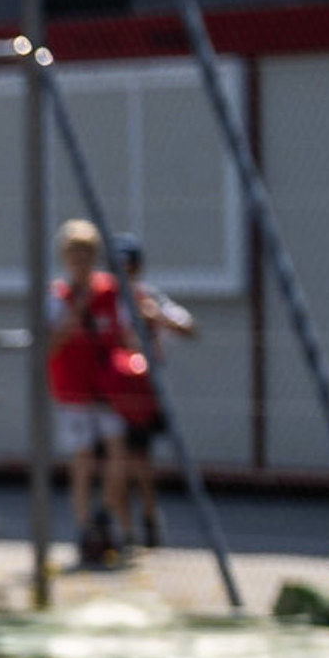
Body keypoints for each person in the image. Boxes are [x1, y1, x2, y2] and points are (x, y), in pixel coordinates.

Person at [49, 219, 133, 569]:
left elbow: (127, 336)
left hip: (110, 389)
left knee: (118, 455)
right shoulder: (58, 297)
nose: (80, 259)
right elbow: (49, 344)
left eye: (86, 252)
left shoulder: (113, 292)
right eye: (73, 253)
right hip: (74, 390)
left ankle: (108, 515)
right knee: (82, 461)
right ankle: (84, 527)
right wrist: (76, 312)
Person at [112, 234, 196, 552]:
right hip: (110, 389)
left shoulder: (148, 296)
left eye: (130, 266)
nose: (125, 272)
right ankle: (123, 526)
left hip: (141, 389)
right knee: (114, 459)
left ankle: (148, 517)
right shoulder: (104, 297)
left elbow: (187, 326)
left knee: (139, 458)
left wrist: (153, 317)